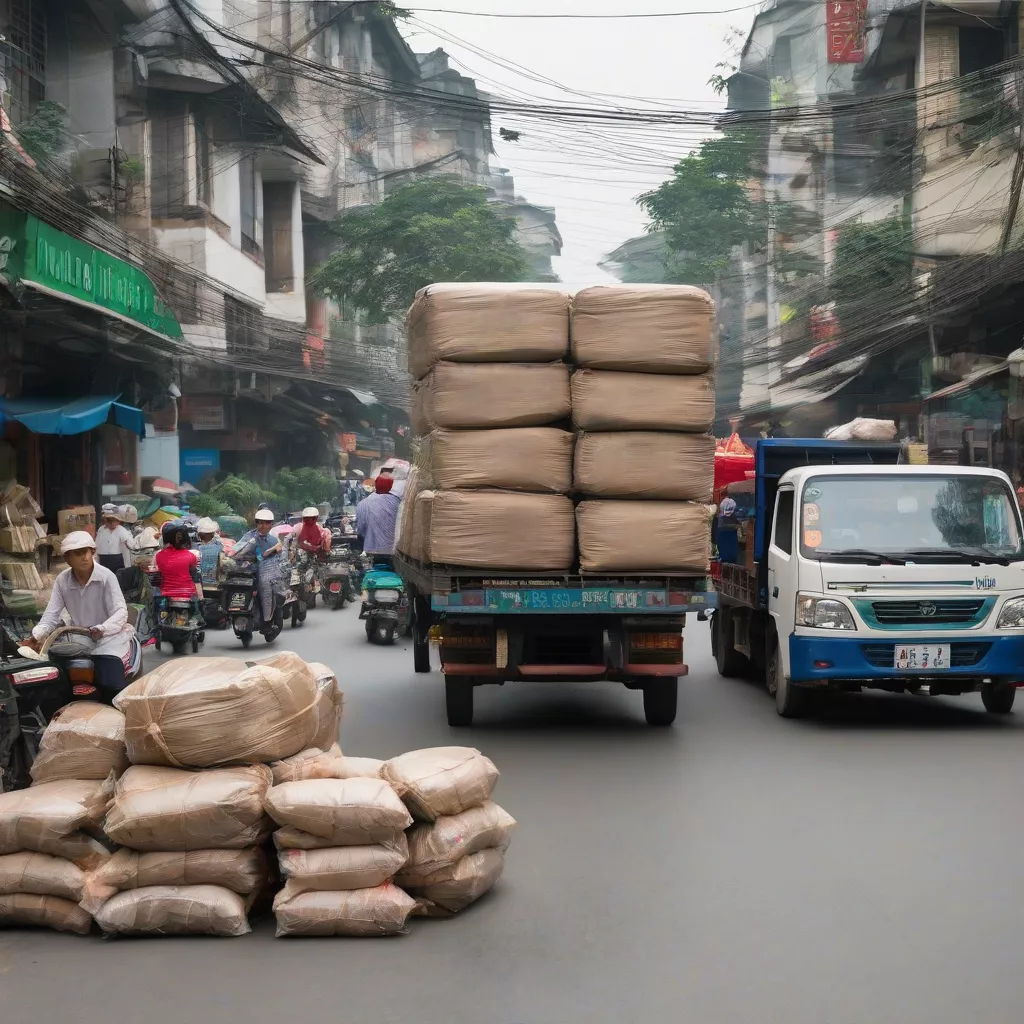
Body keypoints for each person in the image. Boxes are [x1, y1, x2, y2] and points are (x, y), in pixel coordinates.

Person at [27, 531, 136, 696]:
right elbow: (51, 615)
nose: (85, 558)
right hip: (79, 639)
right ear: (67, 558)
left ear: (92, 552)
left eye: (87, 552)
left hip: (109, 640)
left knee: (112, 686)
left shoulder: (107, 577)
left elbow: (120, 612)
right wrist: (37, 635)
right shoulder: (62, 580)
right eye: (78, 553)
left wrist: (102, 628)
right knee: (56, 685)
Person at [234, 508, 285, 624]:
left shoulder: (273, 539)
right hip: (248, 570)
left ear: (271, 525)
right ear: (256, 523)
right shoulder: (249, 536)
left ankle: (267, 619)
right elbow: (237, 551)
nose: (262, 526)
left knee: (269, 584)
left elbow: (279, 555)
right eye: (260, 522)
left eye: (266, 523)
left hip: (265, 571)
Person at [155, 522, 204, 606]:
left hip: (166, 596)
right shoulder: (191, 556)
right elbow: (194, 575)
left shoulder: (159, 555)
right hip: (188, 596)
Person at [355, 475, 400, 558]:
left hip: (371, 553)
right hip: (395, 554)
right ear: (391, 486)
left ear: (375, 485)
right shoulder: (398, 502)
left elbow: (360, 531)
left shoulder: (363, 504)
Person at [95, 505, 134, 572]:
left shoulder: (122, 531)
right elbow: (97, 548)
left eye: (114, 520)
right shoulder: (101, 530)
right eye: (109, 520)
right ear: (105, 520)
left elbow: (128, 551)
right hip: (103, 564)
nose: (112, 523)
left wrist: (127, 569)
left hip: (118, 565)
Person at [196, 517, 224, 588]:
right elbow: (221, 565)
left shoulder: (195, 547)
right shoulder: (219, 546)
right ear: (212, 534)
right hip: (213, 583)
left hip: (197, 583)